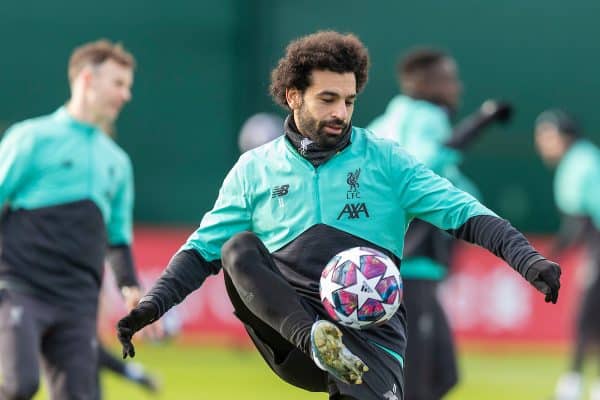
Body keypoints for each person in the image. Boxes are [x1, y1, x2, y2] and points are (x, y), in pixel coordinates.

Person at [117, 31, 561, 400]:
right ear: (293, 96)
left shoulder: (386, 160)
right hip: (295, 336)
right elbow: (201, 251)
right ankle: (317, 339)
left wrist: (528, 259)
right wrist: (152, 306)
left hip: (372, 333)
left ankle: (337, 351)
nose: (340, 113)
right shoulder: (255, 169)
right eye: (328, 99)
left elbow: (464, 212)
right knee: (237, 247)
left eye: (348, 101)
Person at [0, 39, 144, 400]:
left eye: (128, 86)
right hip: (20, 288)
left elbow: (117, 238)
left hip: (77, 301)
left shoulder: (117, 162)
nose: (126, 95)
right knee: (19, 386)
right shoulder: (31, 138)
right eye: (118, 83)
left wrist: (129, 287)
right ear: (86, 80)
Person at [367, 48, 512, 399]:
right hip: (412, 267)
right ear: (423, 84)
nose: (457, 88)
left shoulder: (380, 126)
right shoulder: (427, 116)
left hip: (391, 266)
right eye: (449, 79)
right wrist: (482, 120)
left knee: (439, 375)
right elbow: (427, 164)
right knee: (420, 379)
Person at [533, 110, 600, 400]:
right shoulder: (587, 157)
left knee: (586, 315)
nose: (542, 143)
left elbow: (579, 223)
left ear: (565, 136)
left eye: (547, 136)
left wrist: (546, 256)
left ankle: (572, 384)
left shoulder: (577, 163)